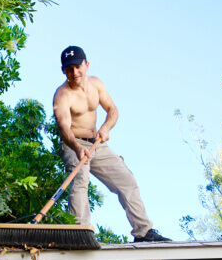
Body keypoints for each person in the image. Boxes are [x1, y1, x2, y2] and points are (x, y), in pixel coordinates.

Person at [52, 45, 170, 242]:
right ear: (64, 70)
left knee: (126, 180)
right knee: (80, 180)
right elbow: (64, 128)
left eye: (78, 67)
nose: (74, 72)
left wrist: (106, 127)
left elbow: (112, 110)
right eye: (69, 68)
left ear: (86, 65)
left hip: (97, 145)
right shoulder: (62, 95)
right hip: (74, 145)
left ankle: (143, 232)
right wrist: (77, 148)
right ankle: (78, 234)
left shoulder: (96, 84)